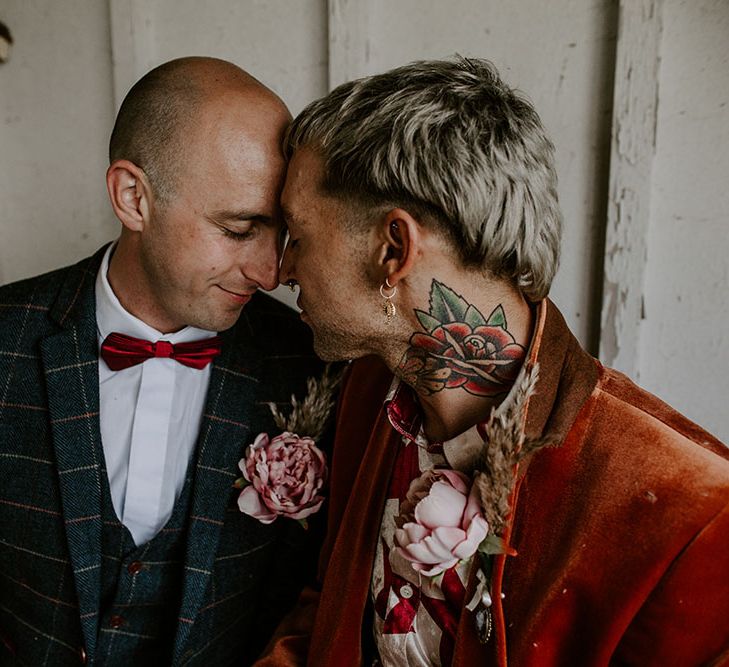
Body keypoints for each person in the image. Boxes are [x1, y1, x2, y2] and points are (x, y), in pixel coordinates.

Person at [261, 57, 729, 666]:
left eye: (297, 234)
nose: (281, 269)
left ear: (393, 249)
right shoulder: (364, 390)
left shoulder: (694, 517)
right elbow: (327, 613)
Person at [0, 57, 325, 665]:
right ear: (133, 198)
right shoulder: (4, 339)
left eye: (279, 231)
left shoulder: (306, 364)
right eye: (238, 228)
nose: (271, 271)